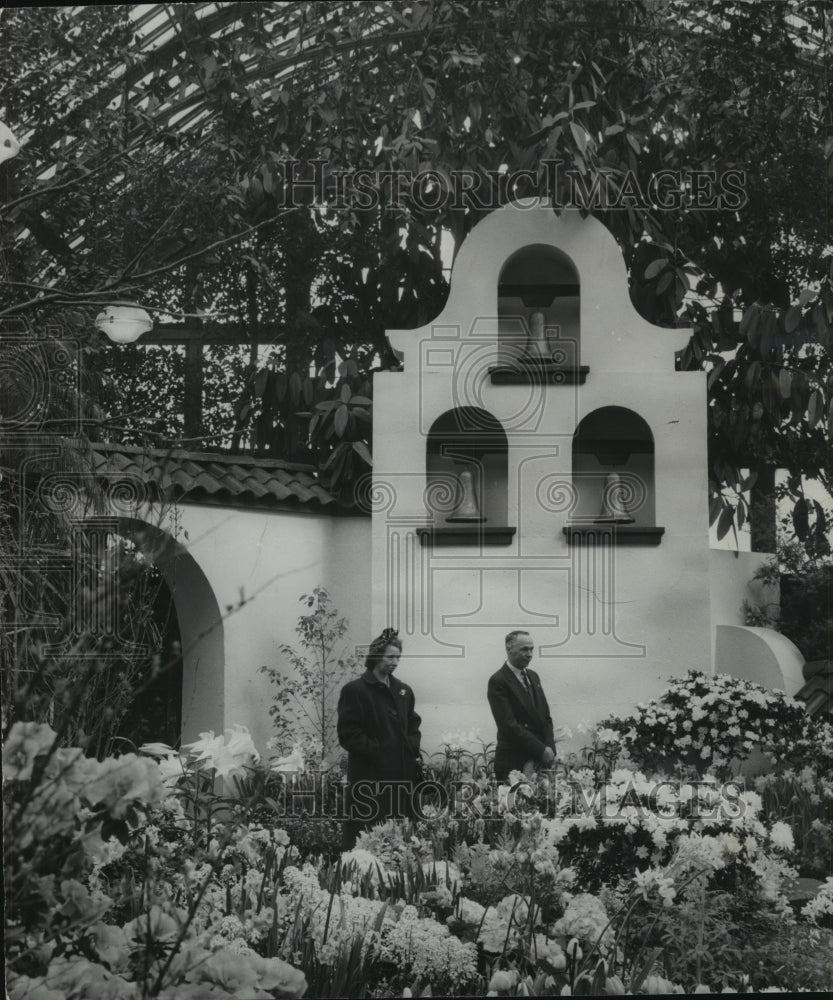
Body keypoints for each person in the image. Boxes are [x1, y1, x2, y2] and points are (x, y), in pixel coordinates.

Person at [337, 627, 422, 850]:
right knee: (367, 835)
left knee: (400, 838)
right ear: (376, 656)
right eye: (390, 656)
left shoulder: (404, 690)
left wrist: (410, 747)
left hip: (401, 778)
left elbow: (413, 724)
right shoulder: (355, 691)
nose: (395, 662)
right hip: (370, 778)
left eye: (398, 657)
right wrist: (379, 751)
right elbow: (348, 734)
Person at [487, 630, 555, 781]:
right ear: (509, 649)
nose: (530, 654)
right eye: (524, 649)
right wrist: (541, 749)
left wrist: (549, 749)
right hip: (513, 762)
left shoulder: (533, 676)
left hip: (538, 761)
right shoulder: (498, 681)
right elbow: (509, 726)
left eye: (531, 649)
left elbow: (545, 717)